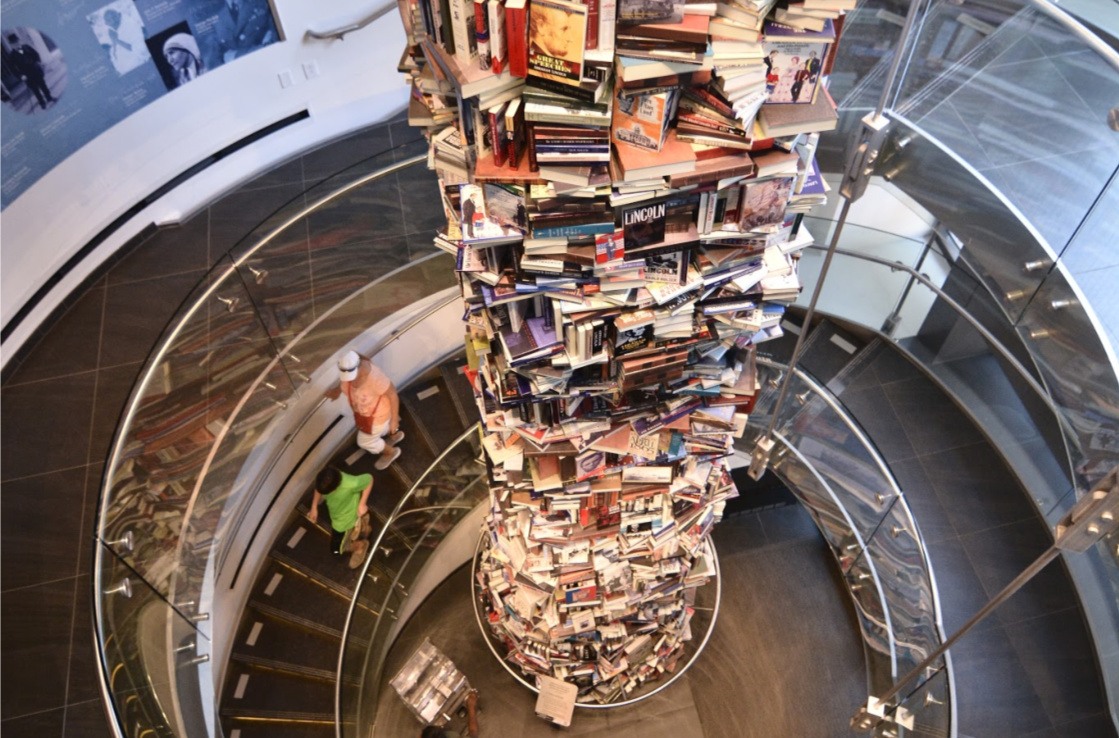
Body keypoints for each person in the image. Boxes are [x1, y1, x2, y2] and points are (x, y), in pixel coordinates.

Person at [337, 350, 404, 469]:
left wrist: (394, 420)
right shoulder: (349, 369)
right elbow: (344, 383)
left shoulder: (374, 378)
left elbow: (392, 395)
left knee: (364, 442)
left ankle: (390, 452)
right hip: (369, 413)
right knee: (382, 428)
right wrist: (335, 391)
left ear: (359, 365)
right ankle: (394, 435)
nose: (349, 380)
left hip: (377, 416)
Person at [310, 467, 373, 568]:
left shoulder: (350, 484)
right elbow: (318, 489)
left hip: (344, 523)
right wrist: (314, 507)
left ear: (335, 487)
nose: (322, 494)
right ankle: (364, 528)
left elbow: (369, 479)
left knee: (336, 550)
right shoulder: (330, 478)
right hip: (340, 516)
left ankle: (360, 546)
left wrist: (362, 504)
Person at [7, 33, 53, 109]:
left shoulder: (26, 47)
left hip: (36, 70)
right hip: (27, 75)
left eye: (17, 42)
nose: (16, 44)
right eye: (14, 43)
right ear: (11, 45)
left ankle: (49, 97)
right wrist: (21, 76)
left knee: (43, 85)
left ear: (19, 41)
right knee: (35, 90)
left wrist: (38, 62)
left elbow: (36, 54)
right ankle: (42, 103)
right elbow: (12, 69)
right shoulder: (12, 56)